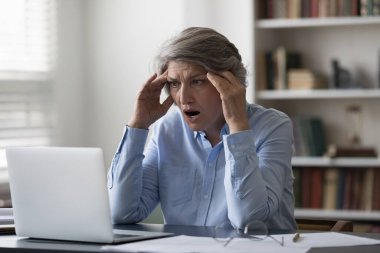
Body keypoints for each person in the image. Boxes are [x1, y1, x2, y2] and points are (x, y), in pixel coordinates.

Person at [107, 27, 297, 231]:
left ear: (229, 82)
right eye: (174, 83)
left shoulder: (273, 126)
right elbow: (121, 212)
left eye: (197, 82)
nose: (183, 97)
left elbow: (248, 219)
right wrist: (138, 125)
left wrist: (238, 128)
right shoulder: (167, 130)